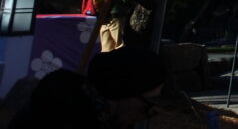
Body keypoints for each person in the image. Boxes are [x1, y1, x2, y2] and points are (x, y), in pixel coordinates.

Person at [9, 45, 166, 129]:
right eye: (150, 101)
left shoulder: (82, 103)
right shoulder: (68, 117)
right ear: (124, 91)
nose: (148, 113)